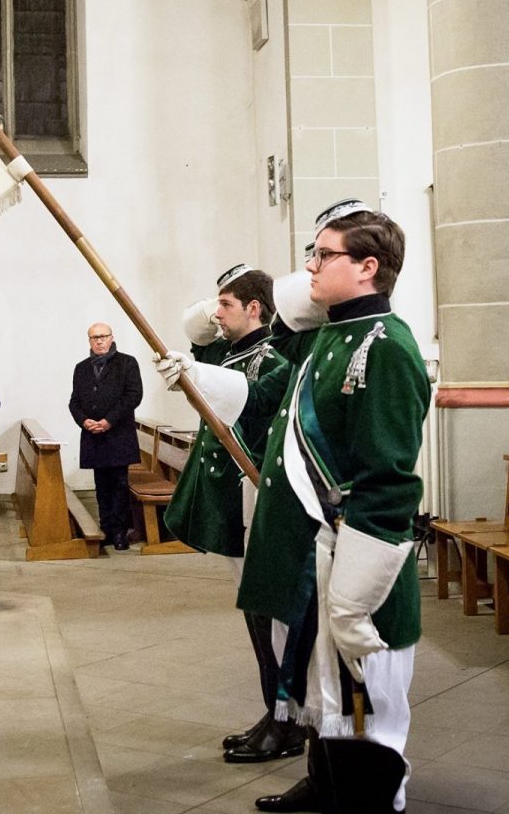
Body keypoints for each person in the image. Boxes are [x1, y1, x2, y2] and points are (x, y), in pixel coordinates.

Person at [171, 200, 429, 814]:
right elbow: (268, 382)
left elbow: (389, 479)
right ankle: (328, 778)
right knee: (327, 685)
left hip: (362, 556)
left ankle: (370, 794)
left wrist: (356, 591)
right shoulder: (333, 335)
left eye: (323, 253)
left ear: (368, 266)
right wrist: (195, 372)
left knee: (370, 688)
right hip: (321, 548)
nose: (309, 265)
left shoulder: (384, 346)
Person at [159, 266, 301, 764]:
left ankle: (288, 719)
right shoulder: (230, 349)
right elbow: (195, 332)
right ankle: (275, 711)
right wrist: (211, 318)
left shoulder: (277, 356)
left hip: (257, 497)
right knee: (254, 614)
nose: (216, 315)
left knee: (272, 616)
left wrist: (197, 374)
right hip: (229, 499)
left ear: (255, 308)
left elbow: (258, 401)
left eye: (227, 305)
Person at [69, 323, 143, 551]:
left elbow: (133, 396)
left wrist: (109, 420)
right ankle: (107, 530)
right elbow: (74, 402)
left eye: (103, 336)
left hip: (118, 434)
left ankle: (120, 533)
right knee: (101, 486)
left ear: (112, 338)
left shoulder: (127, 363)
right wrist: (84, 421)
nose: (99, 341)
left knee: (119, 485)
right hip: (94, 436)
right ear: (89, 341)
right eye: (94, 338)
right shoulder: (81, 368)